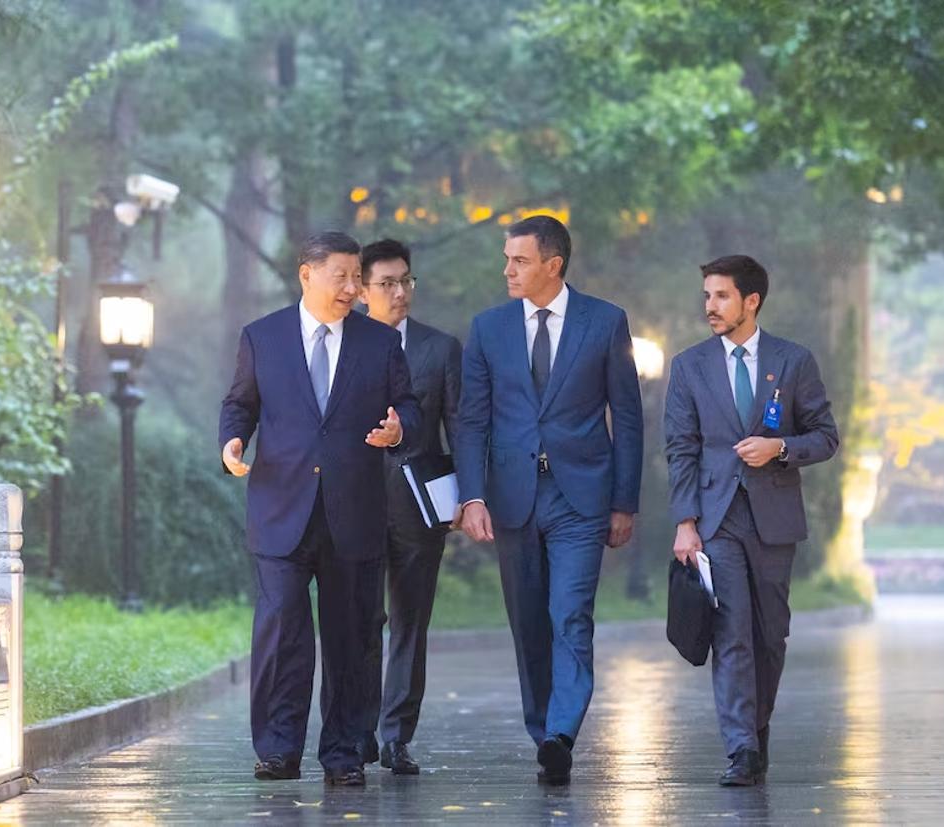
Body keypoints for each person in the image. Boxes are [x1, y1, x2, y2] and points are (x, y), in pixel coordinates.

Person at [218, 230, 421, 787]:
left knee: (351, 638)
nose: (353, 288)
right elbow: (240, 404)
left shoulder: (380, 343)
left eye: (357, 277)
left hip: (354, 511)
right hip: (280, 508)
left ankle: (344, 753)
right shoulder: (262, 337)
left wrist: (399, 428)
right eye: (342, 276)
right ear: (306, 275)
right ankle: (277, 750)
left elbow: (408, 406)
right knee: (281, 630)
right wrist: (232, 443)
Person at [454, 215, 643, 784]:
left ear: (553, 265)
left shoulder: (604, 322)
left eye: (520, 260)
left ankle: (562, 730)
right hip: (512, 497)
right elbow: (471, 421)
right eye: (507, 259)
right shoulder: (489, 329)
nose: (508, 270)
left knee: (571, 615)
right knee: (528, 622)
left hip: (580, 498)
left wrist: (624, 502)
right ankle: (544, 736)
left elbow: (628, 417)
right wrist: (472, 496)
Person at [664, 254, 839, 786]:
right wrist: (685, 521)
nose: (710, 306)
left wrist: (779, 447)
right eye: (707, 296)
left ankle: (757, 729)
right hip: (716, 519)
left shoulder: (793, 360)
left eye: (721, 296)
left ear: (751, 301)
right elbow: (680, 448)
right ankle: (740, 748)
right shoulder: (689, 366)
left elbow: (825, 436)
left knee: (770, 636)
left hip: (774, 517)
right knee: (732, 632)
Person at [354, 238, 462, 775]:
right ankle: (358, 732)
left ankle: (396, 736)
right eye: (387, 284)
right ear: (363, 290)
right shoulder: (343, 343)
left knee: (410, 622)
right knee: (360, 620)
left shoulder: (440, 349)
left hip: (419, 507)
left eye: (406, 281)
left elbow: (460, 427)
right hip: (354, 503)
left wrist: (469, 495)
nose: (399, 292)